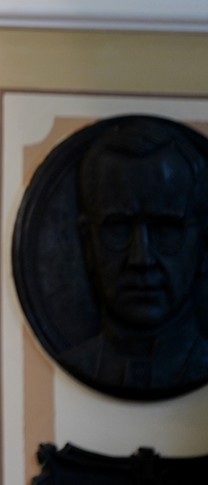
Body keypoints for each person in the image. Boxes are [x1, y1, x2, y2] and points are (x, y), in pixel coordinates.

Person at [61, 116, 208, 397]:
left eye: (166, 228)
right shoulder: (79, 363)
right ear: (88, 244)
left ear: (203, 244)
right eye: (118, 228)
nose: (141, 259)